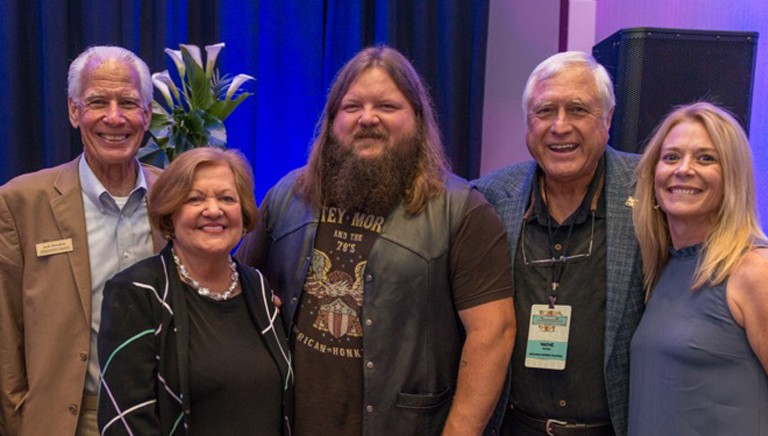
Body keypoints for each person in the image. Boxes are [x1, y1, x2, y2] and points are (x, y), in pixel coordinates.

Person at [236, 45, 515, 435]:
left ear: (416, 118)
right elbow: (239, 290)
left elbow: (494, 332)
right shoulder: (288, 196)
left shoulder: (462, 210)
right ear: (333, 120)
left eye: (387, 106)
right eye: (352, 107)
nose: (368, 118)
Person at [473, 51, 645, 436]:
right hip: (513, 426)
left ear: (608, 119)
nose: (560, 126)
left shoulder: (650, 191)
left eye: (578, 110)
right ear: (527, 122)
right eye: (545, 111)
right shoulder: (489, 198)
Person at [0, 46, 163, 436]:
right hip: (69, 420)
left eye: (127, 102)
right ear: (74, 112)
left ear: (147, 114)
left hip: (160, 416)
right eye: (97, 102)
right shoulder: (22, 202)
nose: (114, 117)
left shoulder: (175, 198)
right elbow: (6, 328)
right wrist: (18, 418)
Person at [97, 147, 293, 435]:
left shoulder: (258, 288)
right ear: (169, 214)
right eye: (195, 199)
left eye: (227, 198)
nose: (213, 210)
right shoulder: (137, 292)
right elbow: (125, 422)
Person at [628, 102, 768, 435]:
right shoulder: (662, 268)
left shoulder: (754, 271)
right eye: (671, 157)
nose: (683, 170)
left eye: (705, 158)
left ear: (732, 177)